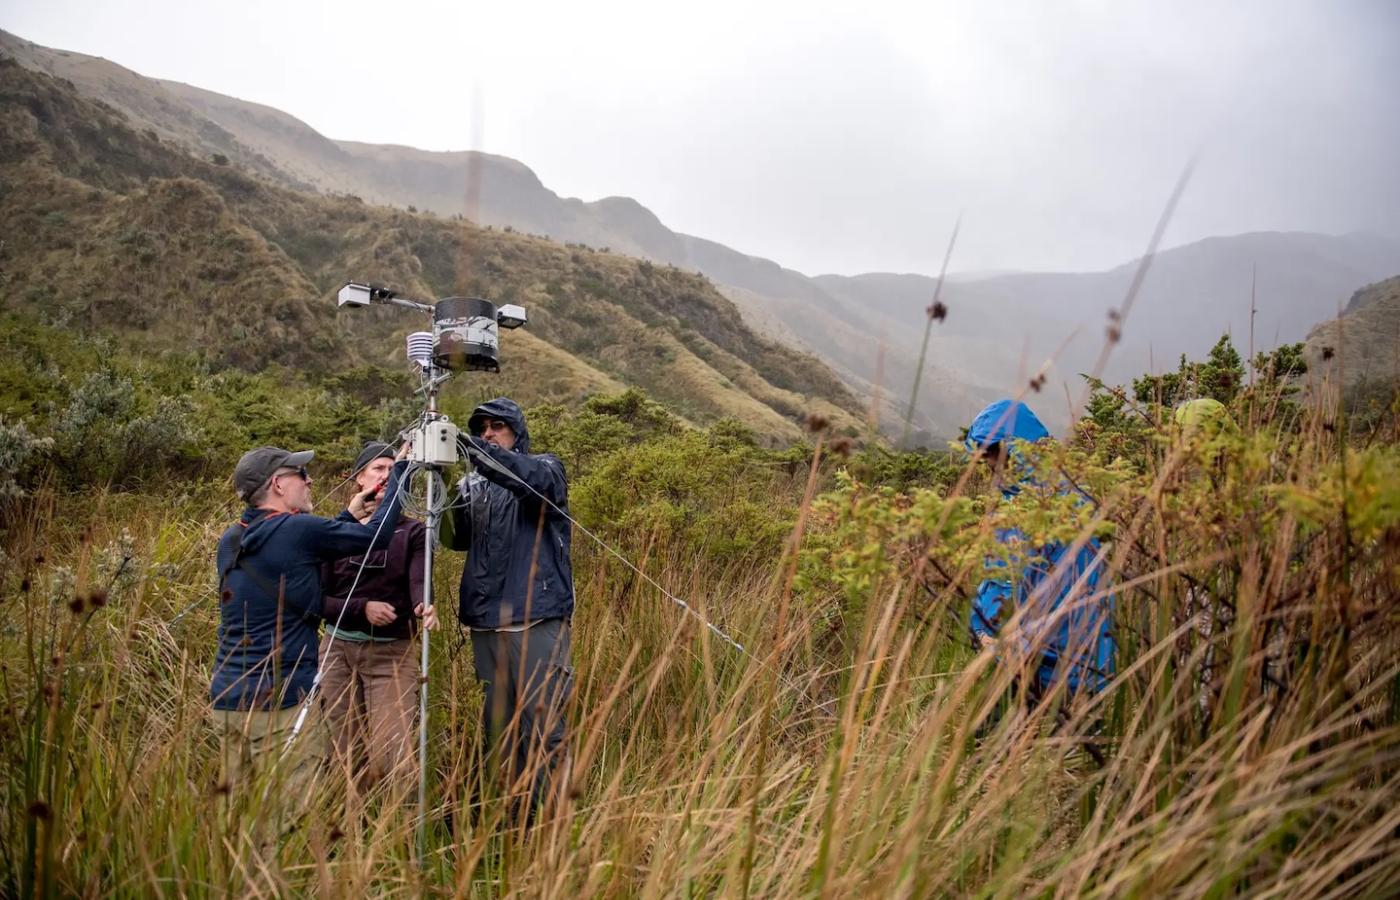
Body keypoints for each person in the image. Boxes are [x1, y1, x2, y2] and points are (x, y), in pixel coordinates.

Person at [210, 443, 409, 814]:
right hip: (278, 701)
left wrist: (345, 519)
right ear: (279, 485)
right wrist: (402, 471)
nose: (309, 480)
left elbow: (293, 558)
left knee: (237, 815)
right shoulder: (296, 531)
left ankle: (234, 873)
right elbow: (376, 538)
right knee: (290, 817)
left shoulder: (233, 538)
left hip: (228, 698)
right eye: (301, 474)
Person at [443, 398, 574, 822]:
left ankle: (550, 826)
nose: (488, 434)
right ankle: (508, 819)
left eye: (497, 426)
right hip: (487, 624)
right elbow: (454, 537)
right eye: (481, 429)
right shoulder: (473, 486)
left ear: (517, 430)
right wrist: (441, 484)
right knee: (499, 729)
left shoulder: (545, 466)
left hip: (535, 618)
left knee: (543, 727)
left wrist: (480, 454)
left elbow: (533, 482)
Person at [965, 399, 1115, 701]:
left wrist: (1009, 645)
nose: (991, 465)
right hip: (1007, 664)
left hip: (1057, 675)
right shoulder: (1009, 504)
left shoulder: (1066, 506)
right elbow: (998, 579)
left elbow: (1066, 594)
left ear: (1018, 447)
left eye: (995, 454)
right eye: (985, 457)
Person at [319, 441, 438, 800]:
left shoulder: (414, 532)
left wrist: (423, 605)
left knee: (393, 751)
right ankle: (346, 831)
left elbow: (419, 582)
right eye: (378, 469)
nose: (386, 475)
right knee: (341, 750)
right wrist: (362, 608)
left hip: (391, 653)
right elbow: (316, 600)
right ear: (359, 479)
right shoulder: (334, 529)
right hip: (336, 651)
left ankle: (394, 836)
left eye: (392, 468)